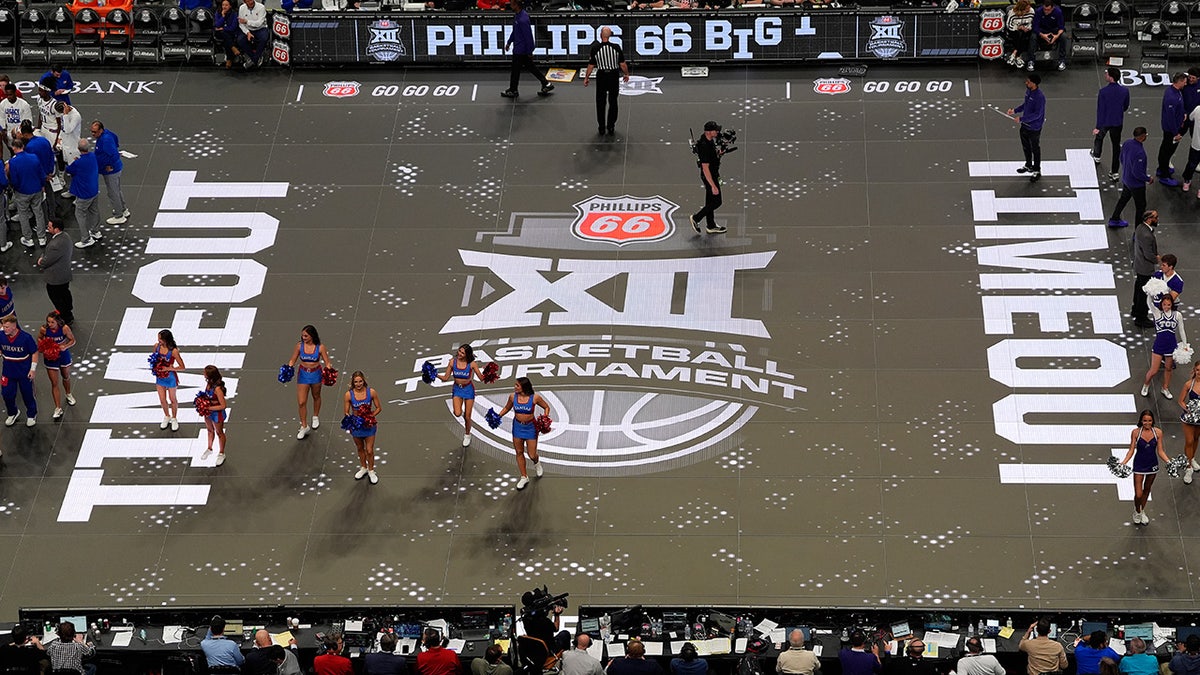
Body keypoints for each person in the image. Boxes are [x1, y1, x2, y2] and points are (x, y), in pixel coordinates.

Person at [496, 376, 550, 490]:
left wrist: (545, 417)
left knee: (531, 454)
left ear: (524, 387)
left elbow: (546, 407)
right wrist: (498, 416)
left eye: (517, 385)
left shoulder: (535, 397)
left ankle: (537, 462)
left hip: (531, 428)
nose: (515, 387)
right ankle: (524, 476)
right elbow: (507, 408)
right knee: (519, 452)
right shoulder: (512, 397)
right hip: (517, 427)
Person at [1120, 410, 1172, 525]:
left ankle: (1141, 511)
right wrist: (1124, 462)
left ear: (1152, 420)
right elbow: (1131, 450)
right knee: (1138, 493)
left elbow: (1160, 450)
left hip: (1152, 465)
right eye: (1144, 420)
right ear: (1141, 421)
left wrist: (1169, 461)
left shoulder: (1158, 432)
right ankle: (1137, 511)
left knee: (1147, 489)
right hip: (1139, 464)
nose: (1147, 423)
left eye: (1149, 420)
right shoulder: (1135, 432)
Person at [287, 324, 333, 439]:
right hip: (303, 374)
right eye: (302, 335)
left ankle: (315, 416)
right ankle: (304, 426)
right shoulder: (299, 346)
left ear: (312, 336)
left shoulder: (320, 347)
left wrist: (328, 369)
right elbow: (293, 359)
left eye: (306, 336)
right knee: (301, 402)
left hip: (316, 374)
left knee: (316, 396)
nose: (303, 338)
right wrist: (289, 368)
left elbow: (327, 361)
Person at [501, 0, 553, 99]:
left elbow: (528, 37)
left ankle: (513, 90)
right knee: (531, 68)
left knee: (516, 71)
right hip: (519, 49)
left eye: (511, 3)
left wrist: (530, 51)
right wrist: (509, 42)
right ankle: (546, 84)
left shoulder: (523, 19)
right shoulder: (518, 15)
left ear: (516, 5)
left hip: (521, 50)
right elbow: (515, 31)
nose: (509, 4)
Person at [584, 28, 629, 137]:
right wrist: (626, 74)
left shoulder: (595, 48)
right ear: (609, 36)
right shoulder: (616, 47)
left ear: (600, 35)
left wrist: (587, 77)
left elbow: (591, 65)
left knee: (600, 102)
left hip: (602, 76)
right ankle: (611, 125)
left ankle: (601, 127)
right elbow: (622, 64)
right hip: (613, 75)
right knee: (613, 101)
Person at [437, 344, 484, 447]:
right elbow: (445, 378)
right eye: (459, 351)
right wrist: (435, 374)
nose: (460, 353)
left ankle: (467, 435)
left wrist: (489, 373)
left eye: (462, 353)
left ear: (467, 354)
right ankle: (464, 413)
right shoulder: (452, 362)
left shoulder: (472, 364)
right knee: (458, 413)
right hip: (457, 389)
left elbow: (481, 378)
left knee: (467, 416)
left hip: (468, 390)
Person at [8, 137, 49, 248]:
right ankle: (42, 238)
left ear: (13, 148)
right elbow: (41, 174)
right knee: (39, 213)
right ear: (23, 146)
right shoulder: (34, 157)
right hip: (36, 190)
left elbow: (14, 180)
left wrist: (16, 189)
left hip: (22, 192)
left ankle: (28, 239)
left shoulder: (13, 162)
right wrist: (42, 186)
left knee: (23, 215)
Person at [1109, 129, 1153, 229]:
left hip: (1126, 179)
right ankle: (1138, 232)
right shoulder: (1140, 153)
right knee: (1140, 207)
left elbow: (1121, 158)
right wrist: (1148, 179)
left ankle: (1114, 219)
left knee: (1123, 199)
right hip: (1136, 185)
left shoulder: (1127, 143)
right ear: (1142, 137)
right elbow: (1137, 173)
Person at [0, 314, 38, 427]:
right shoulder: (1, 335)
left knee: (27, 394)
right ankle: (13, 413)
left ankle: (31, 415)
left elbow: (34, 352)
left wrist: (33, 369)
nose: (4, 329)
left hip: (24, 372)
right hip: (8, 372)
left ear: (14, 326)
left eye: (7, 327)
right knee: (6, 394)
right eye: (3, 326)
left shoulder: (26, 338)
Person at [690, 121, 727, 235]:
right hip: (709, 176)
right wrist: (713, 185)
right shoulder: (704, 146)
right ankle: (696, 218)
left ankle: (710, 225)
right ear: (708, 132)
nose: (717, 132)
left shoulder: (709, 141)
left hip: (713, 173)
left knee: (710, 200)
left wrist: (719, 154)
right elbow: (705, 168)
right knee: (717, 202)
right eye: (715, 130)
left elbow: (712, 158)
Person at [37, 311, 74, 421]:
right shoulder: (44, 329)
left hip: (62, 355)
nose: (50, 324)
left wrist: (65, 346)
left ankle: (68, 394)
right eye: (48, 322)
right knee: (54, 383)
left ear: (57, 321)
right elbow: (39, 338)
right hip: (50, 357)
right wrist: (44, 346)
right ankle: (58, 408)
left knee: (65, 376)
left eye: (52, 322)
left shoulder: (64, 328)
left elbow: (73, 340)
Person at [1007, 74, 1045, 183]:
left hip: (1034, 127)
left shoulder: (1040, 97)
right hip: (1025, 126)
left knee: (1035, 148)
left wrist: (1022, 119)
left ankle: (1037, 170)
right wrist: (1015, 110)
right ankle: (1028, 165)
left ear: (1034, 83)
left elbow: (1037, 114)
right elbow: (1026, 105)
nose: (1026, 83)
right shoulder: (1028, 92)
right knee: (1026, 147)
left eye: (1028, 82)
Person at [344, 370, 381, 484]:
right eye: (356, 382)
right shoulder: (348, 395)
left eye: (360, 381)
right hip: (357, 427)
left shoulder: (372, 392)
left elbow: (379, 408)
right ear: (353, 383)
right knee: (360, 448)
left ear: (363, 381)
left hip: (369, 425)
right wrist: (353, 420)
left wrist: (369, 416)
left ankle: (371, 470)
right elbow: (346, 412)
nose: (358, 384)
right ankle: (363, 467)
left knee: (369, 450)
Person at [1093, 66, 1130, 179]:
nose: (1105, 75)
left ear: (1111, 77)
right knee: (1116, 146)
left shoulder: (1103, 92)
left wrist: (1098, 127)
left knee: (1099, 137)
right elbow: (1125, 106)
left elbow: (1100, 110)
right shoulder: (1124, 91)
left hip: (1105, 121)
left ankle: (1097, 155)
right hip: (1117, 121)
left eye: (1107, 74)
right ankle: (1114, 172)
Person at [90, 120, 129, 225]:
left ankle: (119, 215)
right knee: (117, 190)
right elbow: (116, 141)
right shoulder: (108, 134)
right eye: (92, 132)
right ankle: (123, 209)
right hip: (113, 169)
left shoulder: (106, 140)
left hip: (112, 171)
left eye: (95, 132)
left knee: (113, 193)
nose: (93, 134)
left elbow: (114, 154)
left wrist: (110, 166)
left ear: (101, 130)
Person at [37, 220, 73, 325]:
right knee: (65, 293)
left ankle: (64, 316)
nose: (48, 228)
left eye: (50, 227)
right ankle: (68, 312)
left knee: (57, 296)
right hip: (64, 273)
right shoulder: (65, 237)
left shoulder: (55, 245)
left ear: (56, 229)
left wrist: (41, 261)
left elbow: (46, 261)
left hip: (56, 278)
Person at [67, 139, 100, 248]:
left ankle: (86, 239)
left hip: (84, 194)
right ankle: (95, 231)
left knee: (80, 214)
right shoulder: (93, 157)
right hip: (94, 190)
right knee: (94, 211)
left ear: (79, 149)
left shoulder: (78, 163)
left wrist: (75, 161)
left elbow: (69, 169)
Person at [1158, 73, 1189, 187]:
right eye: (1184, 82)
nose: (1186, 84)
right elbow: (1170, 117)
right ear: (1179, 81)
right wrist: (1175, 133)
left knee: (1165, 149)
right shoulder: (1171, 96)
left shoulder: (1176, 91)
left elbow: (1179, 107)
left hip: (1174, 127)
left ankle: (1162, 168)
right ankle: (1164, 176)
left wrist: (1183, 113)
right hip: (1171, 130)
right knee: (1166, 151)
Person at [1131, 211, 1160, 329]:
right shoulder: (1147, 235)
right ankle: (1141, 317)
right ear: (1149, 219)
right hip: (1145, 267)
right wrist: (1157, 259)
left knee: (1138, 287)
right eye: (1156, 217)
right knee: (1144, 293)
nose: (1158, 219)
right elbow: (1148, 254)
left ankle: (1135, 309)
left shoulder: (1140, 228)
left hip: (1139, 265)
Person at [153, 329, 185, 431]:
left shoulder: (174, 351)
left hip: (170, 377)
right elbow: (153, 359)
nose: (158, 341)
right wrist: (156, 367)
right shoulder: (156, 346)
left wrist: (169, 368)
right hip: (160, 377)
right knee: (162, 399)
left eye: (160, 339)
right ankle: (167, 416)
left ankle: (174, 418)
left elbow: (182, 367)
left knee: (172, 399)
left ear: (166, 340)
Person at [200, 365, 229, 465]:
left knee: (219, 432)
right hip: (208, 412)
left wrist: (208, 408)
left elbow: (223, 405)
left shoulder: (218, 389)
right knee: (209, 430)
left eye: (205, 372)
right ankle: (209, 448)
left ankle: (221, 453)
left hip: (217, 413)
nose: (203, 373)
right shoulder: (208, 383)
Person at [1025, 0, 1066, 71]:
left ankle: (1061, 60)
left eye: (1048, 10)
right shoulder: (1038, 11)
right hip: (1042, 30)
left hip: (1054, 30)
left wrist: (1056, 36)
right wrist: (1042, 35)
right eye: (1044, 9)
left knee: (1063, 36)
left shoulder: (1058, 12)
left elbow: (1061, 27)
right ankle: (1031, 61)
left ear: (1052, 8)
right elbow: (1035, 26)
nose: (1046, 11)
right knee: (1033, 36)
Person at [1177, 362, 1200, 485]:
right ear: (1194, 370)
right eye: (1197, 370)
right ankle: (1188, 467)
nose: (1199, 372)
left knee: (1196, 439)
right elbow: (1180, 401)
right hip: (1189, 418)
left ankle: (1192, 458)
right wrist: (1189, 410)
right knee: (1189, 441)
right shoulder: (1188, 384)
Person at [0, 83, 31, 160]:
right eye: (7, 95)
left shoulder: (24, 105)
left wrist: (19, 132)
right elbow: (2, 118)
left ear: (15, 93)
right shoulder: (3, 104)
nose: (9, 97)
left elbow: (27, 121)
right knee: (12, 150)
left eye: (10, 95)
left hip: (21, 134)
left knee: (22, 151)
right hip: (9, 133)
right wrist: (3, 130)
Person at [236, 0, 270, 67]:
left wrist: (247, 22)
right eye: (248, 1)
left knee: (264, 38)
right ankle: (255, 58)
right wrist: (247, 32)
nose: (250, 2)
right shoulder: (242, 8)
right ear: (244, 2)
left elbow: (259, 23)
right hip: (248, 29)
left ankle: (254, 59)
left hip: (260, 28)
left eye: (251, 0)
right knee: (240, 40)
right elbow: (241, 24)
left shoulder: (261, 7)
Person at [1004, 0, 1033, 67]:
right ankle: (1018, 57)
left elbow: (1032, 22)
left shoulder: (1032, 11)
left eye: (1029, 7)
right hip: (1014, 30)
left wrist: (1027, 27)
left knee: (1025, 36)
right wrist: (1018, 27)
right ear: (1021, 8)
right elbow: (1009, 25)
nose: (1029, 10)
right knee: (1018, 35)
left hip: (1026, 30)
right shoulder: (1012, 13)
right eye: (1027, 9)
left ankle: (1014, 53)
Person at [214, 0, 242, 68]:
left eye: (226, 5)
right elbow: (217, 25)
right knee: (224, 34)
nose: (224, 7)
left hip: (230, 33)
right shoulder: (218, 12)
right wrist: (223, 16)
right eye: (223, 5)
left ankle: (229, 59)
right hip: (220, 33)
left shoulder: (234, 13)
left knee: (226, 38)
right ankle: (233, 49)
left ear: (230, 6)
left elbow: (233, 27)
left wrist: (223, 28)